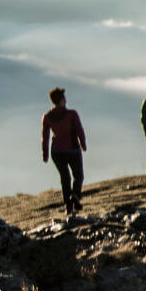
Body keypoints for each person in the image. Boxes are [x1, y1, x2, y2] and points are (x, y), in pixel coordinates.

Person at [41, 86, 87, 216]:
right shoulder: (71, 114)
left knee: (65, 178)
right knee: (78, 176)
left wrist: (45, 154)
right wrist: (83, 144)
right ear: (61, 100)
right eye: (64, 98)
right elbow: (79, 130)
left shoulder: (47, 117)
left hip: (56, 152)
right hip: (72, 150)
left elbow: (45, 137)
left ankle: (68, 206)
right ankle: (75, 196)